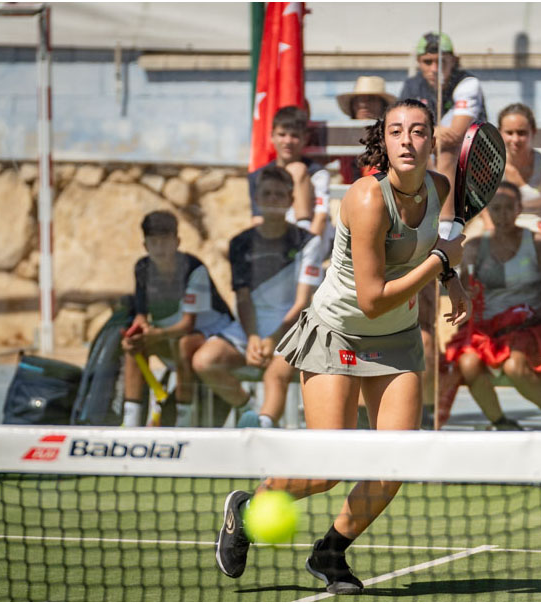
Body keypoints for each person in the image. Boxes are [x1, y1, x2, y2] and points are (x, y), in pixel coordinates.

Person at [215, 99, 469, 594]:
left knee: (396, 461)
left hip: (397, 339)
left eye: (418, 131)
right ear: (384, 141)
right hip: (339, 332)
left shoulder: (439, 189)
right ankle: (245, 511)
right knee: (328, 468)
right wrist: (441, 263)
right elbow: (372, 300)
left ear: (431, 141)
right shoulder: (366, 198)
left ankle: (330, 551)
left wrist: (451, 277)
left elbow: (431, 248)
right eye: (396, 131)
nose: (407, 140)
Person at [192, 166, 324, 428]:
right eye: (267, 194)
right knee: (204, 361)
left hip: (293, 328)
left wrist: (273, 339)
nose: (272, 199)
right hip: (248, 330)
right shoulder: (240, 242)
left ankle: (264, 427)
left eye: (279, 194)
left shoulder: (309, 241)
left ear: (290, 200)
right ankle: (248, 411)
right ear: (256, 199)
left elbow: (303, 302)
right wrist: (253, 337)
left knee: (275, 374)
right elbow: (242, 297)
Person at [445, 182, 541, 431]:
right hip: (486, 329)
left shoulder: (539, 245)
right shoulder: (474, 247)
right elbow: (464, 295)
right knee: (467, 363)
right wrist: (467, 293)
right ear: (487, 211)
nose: (502, 215)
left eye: (508, 208)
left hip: (528, 327)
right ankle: (501, 422)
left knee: (514, 365)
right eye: (496, 208)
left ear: (519, 209)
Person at [121, 211, 233, 427]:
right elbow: (141, 316)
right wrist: (135, 333)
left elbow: (188, 325)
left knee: (183, 344)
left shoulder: (194, 268)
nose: (160, 248)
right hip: (173, 334)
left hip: (212, 335)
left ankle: (183, 423)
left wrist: (156, 334)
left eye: (165, 241)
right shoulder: (142, 268)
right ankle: (130, 422)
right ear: (145, 246)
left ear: (177, 242)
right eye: (154, 242)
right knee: (133, 347)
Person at [399, 31, 487, 221]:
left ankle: (445, 222)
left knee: (444, 149)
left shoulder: (468, 83)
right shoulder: (412, 86)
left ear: (454, 61)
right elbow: (403, 129)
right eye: (428, 62)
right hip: (432, 158)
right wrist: (434, 132)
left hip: (474, 161)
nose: (434, 68)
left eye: (441, 62)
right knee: (418, 148)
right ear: (419, 62)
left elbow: (455, 134)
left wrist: (425, 132)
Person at [482, 103, 541, 245]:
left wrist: (525, 245)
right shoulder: (488, 167)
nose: (515, 139)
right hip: (501, 234)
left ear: (533, 132)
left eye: (521, 133)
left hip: (539, 234)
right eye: (509, 133)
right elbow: (487, 219)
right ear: (500, 133)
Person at [248, 105, 332, 239]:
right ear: (272, 136)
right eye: (282, 135)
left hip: (311, 241)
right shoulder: (258, 176)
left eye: (294, 136)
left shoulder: (318, 173)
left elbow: (320, 218)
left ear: (305, 138)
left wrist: (307, 245)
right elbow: (258, 219)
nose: (287, 141)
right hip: (275, 243)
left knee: (297, 169)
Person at [336, 76, 397, 184]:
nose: (363, 104)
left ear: (382, 105)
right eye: (359, 100)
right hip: (348, 191)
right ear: (352, 105)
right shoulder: (343, 135)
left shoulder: (393, 136)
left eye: (371, 99)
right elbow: (320, 158)